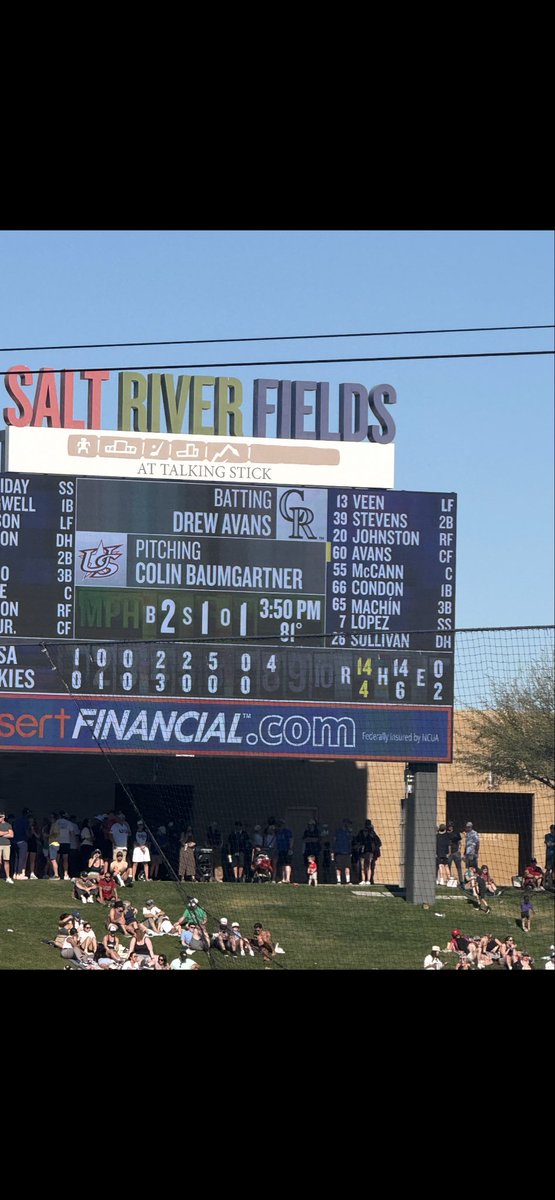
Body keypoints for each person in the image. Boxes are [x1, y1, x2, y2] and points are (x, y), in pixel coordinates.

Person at [334, 818, 354, 885]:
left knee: (347, 866)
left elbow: (350, 841)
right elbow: (334, 841)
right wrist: (333, 851)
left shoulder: (349, 832)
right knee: (338, 867)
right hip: (339, 852)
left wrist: (350, 851)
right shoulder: (338, 831)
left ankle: (348, 880)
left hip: (347, 852)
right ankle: (338, 880)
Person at [446, 821, 464, 886]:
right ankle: (449, 881)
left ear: (452, 826)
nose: (450, 827)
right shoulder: (446, 834)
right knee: (448, 867)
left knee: (459, 867)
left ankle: (461, 881)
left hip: (456, 852)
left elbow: (459, 842)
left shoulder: (456, 833)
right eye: (449, 826)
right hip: (449, 853)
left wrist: (459, 850)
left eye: (451, 826)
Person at [276, 819, 294, 883]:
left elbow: (291, 840)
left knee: (287, 864)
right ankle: (283, 878)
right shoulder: (278, 832)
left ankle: (288, 878)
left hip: (286, 850)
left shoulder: (287, 832)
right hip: (280, 850)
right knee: (282, 864)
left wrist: (290, 848)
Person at [0, 809, 14, 883]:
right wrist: (6, 832)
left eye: (0, 817)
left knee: (6, 860)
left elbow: (11, 835)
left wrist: (2, 833)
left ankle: (8, 877)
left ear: (3, 817)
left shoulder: (8, 825)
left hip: (6, 845)